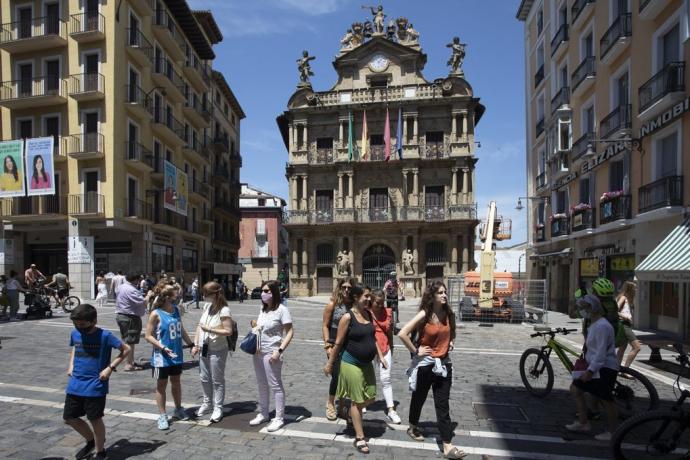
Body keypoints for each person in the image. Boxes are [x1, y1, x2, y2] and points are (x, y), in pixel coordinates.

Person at [398, 281, 465, 459]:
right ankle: (412, 426)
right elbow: (402, 333)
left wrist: (450, 342)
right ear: (432, 296)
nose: (444, 295)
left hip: (443, 365)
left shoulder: (448, 313)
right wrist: (415, 350)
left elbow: (452, 332)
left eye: (445, 293)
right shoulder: (424, 314)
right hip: (426, 364)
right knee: (418, 398)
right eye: (441, 293)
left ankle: (447, 445)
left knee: (442, 404)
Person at [64, 304, 130, 460]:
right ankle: (91, 440)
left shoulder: (105, 336)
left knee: (94, 418)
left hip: (95, 384)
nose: (79, 328)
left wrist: (110, 368)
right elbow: (75, 347)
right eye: (76, 324)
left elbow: (126, 349)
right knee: (69, 417)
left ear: (93, 321)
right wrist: (71, 365)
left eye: (82, 324)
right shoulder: (75, 333)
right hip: (76, 382)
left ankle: (100, 451)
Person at [324, 283, 384, 454]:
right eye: (366, 296)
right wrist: (330, 363)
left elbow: (372, 337)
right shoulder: (347, 317)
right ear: (357, 297)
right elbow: (338, 342)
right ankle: (359, 438)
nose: (369, 298)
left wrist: (379, 355)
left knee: (370, 396)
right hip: (350, 363)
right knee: (357, 401)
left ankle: (350, 412)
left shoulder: (368, 314)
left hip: (367, 364)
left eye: (370, 296)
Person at [566, 294, 619, 441]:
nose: (582, 310)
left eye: (584, 307)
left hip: (604, 368)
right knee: (576, 389)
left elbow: (601, 353)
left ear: (592, 308)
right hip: (595, 366)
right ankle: (583, 423)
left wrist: (590, 371)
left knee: (606, 399)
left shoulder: (602, 326)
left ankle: (613, 431)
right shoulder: (593, 324)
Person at [144, 281, 195, 430]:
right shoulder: (156, 314)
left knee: (176, 382)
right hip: (161, 357)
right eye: (175, 293)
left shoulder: (176, 310)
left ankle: (178, 409)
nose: (178, 295)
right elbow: (148, 336)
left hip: (176, 355)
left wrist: (191, 344)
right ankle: (162, 415)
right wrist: (163, 347)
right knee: (161, 385)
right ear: (167, 297)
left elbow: (181, 329)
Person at [250, 280, 294, 432]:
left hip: (272, 353)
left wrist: (279, 350)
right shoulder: (263, 309)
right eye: (263, 291)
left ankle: (279, 418)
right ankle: (263, 413)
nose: (263, 294)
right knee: (261, 384)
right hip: (258, 351)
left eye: (267, 291)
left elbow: (290, 332)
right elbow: (261, 328)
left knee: (275, 385)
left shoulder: (282, 310)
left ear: (274, 293)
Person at [191, 281, 234, 423]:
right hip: (204, 347)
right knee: (204, 377)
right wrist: (195, 344)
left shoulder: (224, 310)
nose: (203, 296)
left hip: (217, 349)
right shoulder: (207, 306)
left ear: (214, 294)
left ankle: (218, 407)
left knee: (217, 379)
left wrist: (210, 329)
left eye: (206, 294)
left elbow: (228, 331)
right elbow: (199, 325)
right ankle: (207, 403)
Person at [321, 277, 356, 421]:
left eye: (349, 287)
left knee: (345, 377)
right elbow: (325, 326)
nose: (346, 290)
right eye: (344, 287)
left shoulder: (355, 305)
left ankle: (341, 407)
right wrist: (327, 346)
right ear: (340, 288)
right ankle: (330, 403)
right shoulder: (332, 304)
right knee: (336, 375)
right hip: (334, 344)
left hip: (349, 344)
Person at [370, 289, 401, 424]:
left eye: (382, 302)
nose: (380, 305)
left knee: (385, 378)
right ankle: (363, 403)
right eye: (377, 303)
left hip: (385, 348)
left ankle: (391, 409)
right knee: (366, 377)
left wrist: (392, 347)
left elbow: (389, 332)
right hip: (369, 348)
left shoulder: (388, 313)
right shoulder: (365, 312)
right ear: (371, 301)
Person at [116, 273, 151, 371]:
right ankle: (128, 364)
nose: (139, 282)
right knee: (130, 341)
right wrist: (148, 295)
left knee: (128, 340)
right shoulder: (131, 289)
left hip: (122, 315)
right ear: (135, 279)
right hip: (130, 317)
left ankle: (130, 361)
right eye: (138, 280)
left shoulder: (121, 287)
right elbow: (142, 302)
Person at [616, 281, 641, 369]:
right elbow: (615, 310)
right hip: (624, 325)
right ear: (630, 289)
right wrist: (626, 318)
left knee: (622, 348)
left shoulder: (628, 299)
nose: (636, 290)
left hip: (626, 324)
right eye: (634, 288)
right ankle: (626, 369)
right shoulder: (623, 298)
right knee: (637, 347)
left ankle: (616, 368)